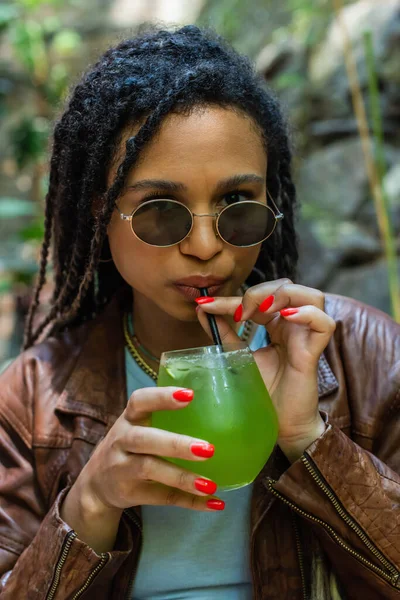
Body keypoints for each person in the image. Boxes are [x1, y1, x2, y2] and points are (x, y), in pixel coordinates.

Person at [0, 24, 399, 600]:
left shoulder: (365, 354)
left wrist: (309, 440)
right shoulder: (32, 402)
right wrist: (89, 505)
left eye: (238, 204)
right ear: (100, 212)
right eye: (162, 211)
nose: (207, 247)